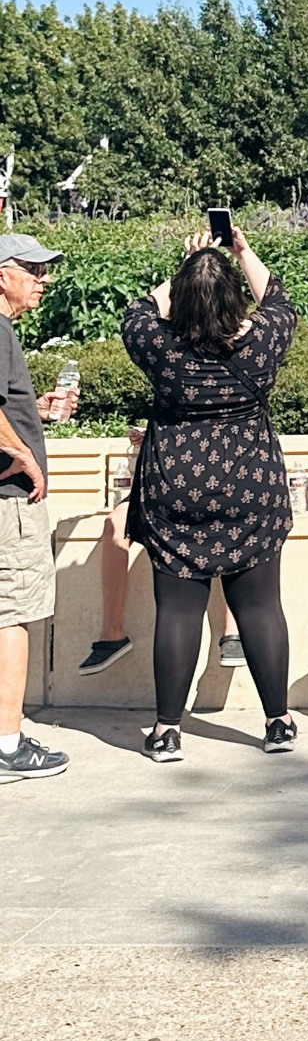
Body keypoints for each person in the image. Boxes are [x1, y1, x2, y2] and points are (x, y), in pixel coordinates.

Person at [120, 229, 298, 762]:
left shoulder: (160, 347)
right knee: (261, 607)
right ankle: (278, 723)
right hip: (251, 489)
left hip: (177, 490)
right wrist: (240, 250)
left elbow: (138, 311)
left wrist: (187, 265)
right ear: (235, 297)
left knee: (177, 611)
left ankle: (167, 731)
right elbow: (277, 298)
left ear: (180, 297)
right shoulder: (262, 343)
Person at [77, 428, 244, 675]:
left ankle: (233, 632)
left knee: (230, 523)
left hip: (215, 482)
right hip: (160, 486)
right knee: (115, 524)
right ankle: (112, 635)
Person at [0, 234, 74, 780]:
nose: (42, 281)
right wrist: (23, 453)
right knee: (12, 616)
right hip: (10, 503)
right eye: (33, 270)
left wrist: (36, 412)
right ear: (2, 275)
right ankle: (7, 744)